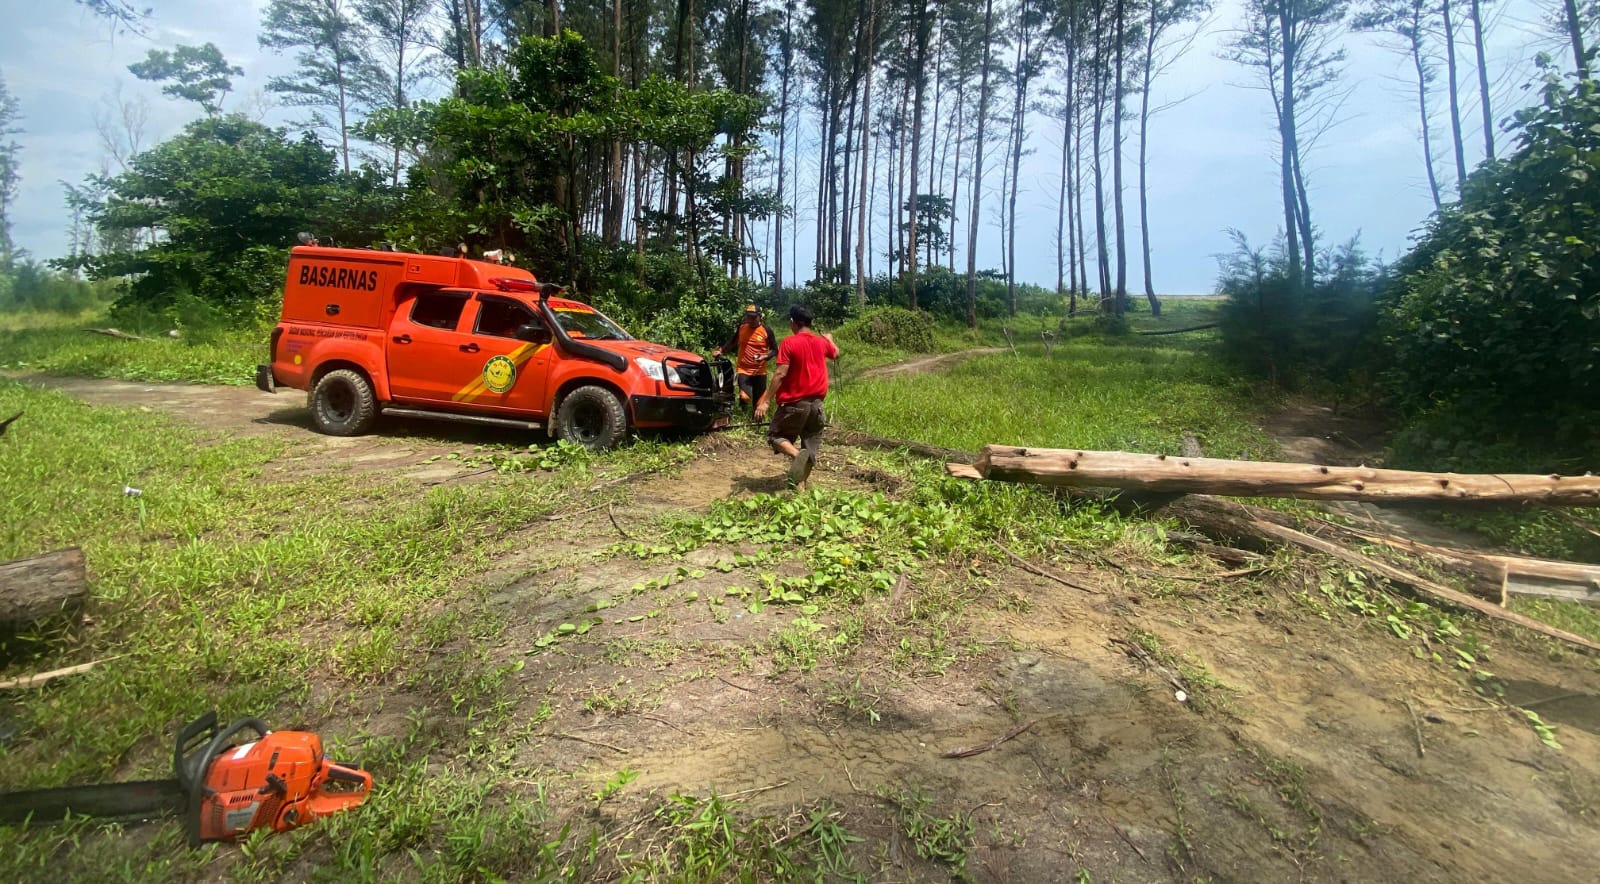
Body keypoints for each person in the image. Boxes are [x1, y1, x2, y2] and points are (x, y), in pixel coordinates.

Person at [755, 305, 839, 489]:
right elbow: (835, 353)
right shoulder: (820, 342)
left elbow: (780, 374)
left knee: (776, 436)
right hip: (817, 405)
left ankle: (794, 454)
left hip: (794, 404)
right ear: (810, 322)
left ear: (793, 322)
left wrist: (766, 400)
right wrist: (830, 340)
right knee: (810, 448)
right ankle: (800, 488)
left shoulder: (789, 343)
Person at [712, 305, 777, 413]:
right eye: (748, 317)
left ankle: (754, 422)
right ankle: (743, 406)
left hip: (760, 371)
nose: (750, 320)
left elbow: (775, 350)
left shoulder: (766, 330)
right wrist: (721, 350)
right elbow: (733, 341)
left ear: (759, 316)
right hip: (743, 369)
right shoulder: (742, 327)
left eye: (753, 317)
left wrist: (765, 356)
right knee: (745, 397)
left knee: (759, 404)